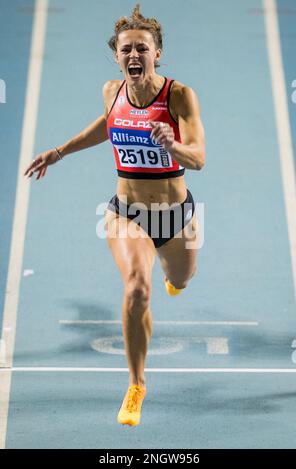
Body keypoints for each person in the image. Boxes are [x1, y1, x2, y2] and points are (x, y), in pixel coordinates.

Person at [23, 4, 205, 427]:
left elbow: (199, 157)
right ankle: (137, 384)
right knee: (137, 290)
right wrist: (60, 151)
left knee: (180, 280)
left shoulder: (179, 96)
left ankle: (172, 277)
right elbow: (108, 124)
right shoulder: (112, 91)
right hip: (127, 214)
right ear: (117, 55)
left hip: (175, 215)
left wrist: (172, 146)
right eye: (126, 50)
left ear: (157, 53)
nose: (134, 56)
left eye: (143, 48)